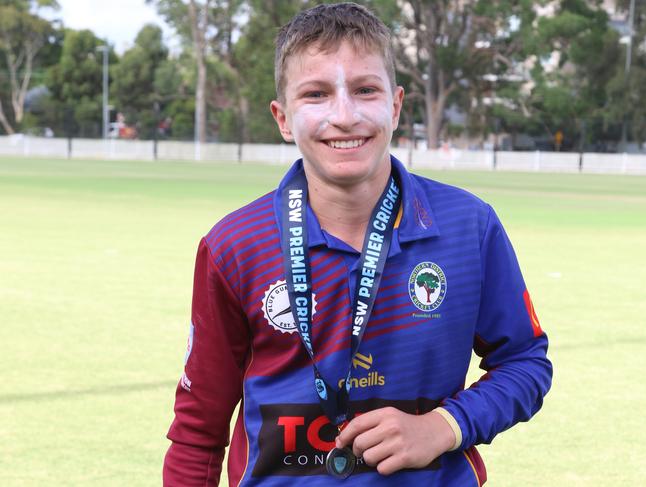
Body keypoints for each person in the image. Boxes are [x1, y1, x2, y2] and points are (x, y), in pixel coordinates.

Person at [163, 3, 552, 485]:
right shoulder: (235, 245)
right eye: (316, 94)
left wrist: (443, 427)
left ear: (395, 105)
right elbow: (198, 432)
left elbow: (525, 363)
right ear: (283, 118)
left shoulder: (468, 226)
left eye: (365, 90)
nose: (344, 116)